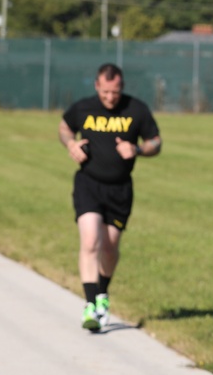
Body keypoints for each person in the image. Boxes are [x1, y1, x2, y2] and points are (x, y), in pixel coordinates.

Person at [59, 63, 161, 331]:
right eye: (105, 92)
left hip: (120, 190)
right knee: (91, 239)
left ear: (122, 87)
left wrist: (137, 149)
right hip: (88, 184)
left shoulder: (135, 109)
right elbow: (64, 127)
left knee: (109, 248)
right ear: (96, 86)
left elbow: (156, 142)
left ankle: (102, 293)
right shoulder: (83, 108)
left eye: (114, 92)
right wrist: (71, 144)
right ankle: (91, 305)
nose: (109, 97)